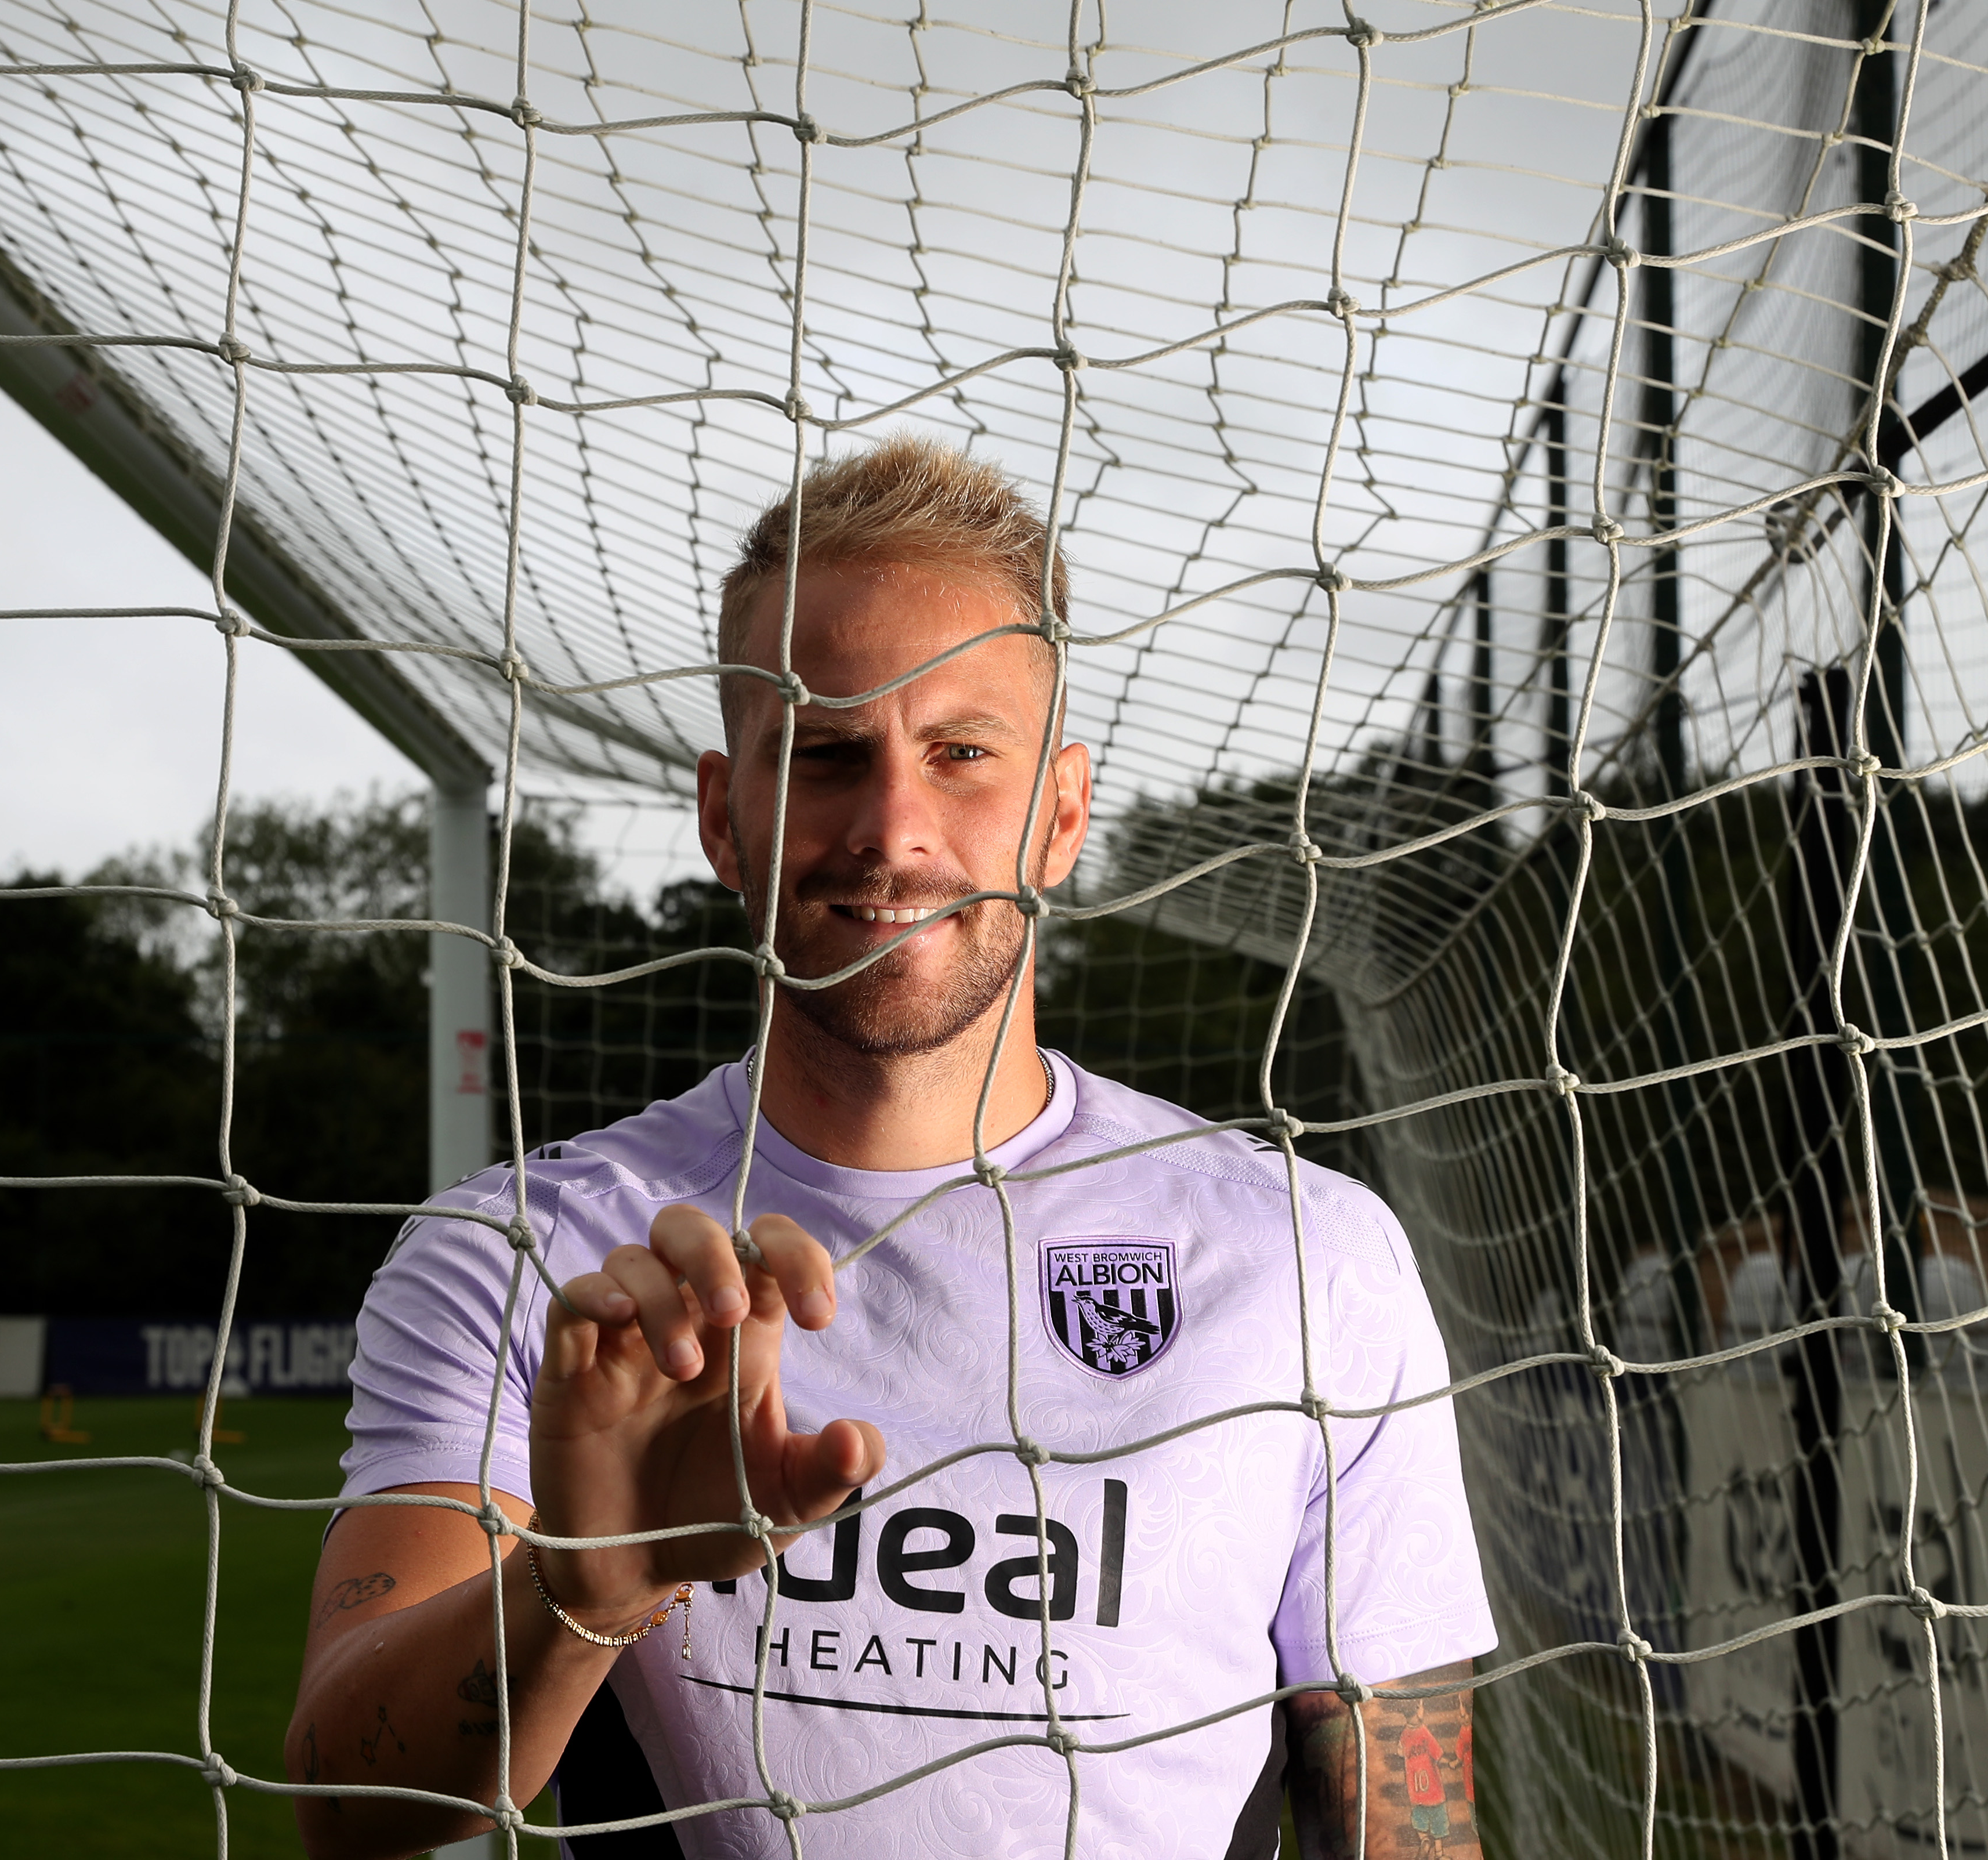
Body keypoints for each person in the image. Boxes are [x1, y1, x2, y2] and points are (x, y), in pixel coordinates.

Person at [285, 436, 1494, 1859]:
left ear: (1058, 813)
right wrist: (579, 1588)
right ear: (721, 817)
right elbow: (344, 1800)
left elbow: (1408, 1822)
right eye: (824, 753)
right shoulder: (528, 1255)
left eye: (960, 754)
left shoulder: (1303, 1253)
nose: (892, 829)